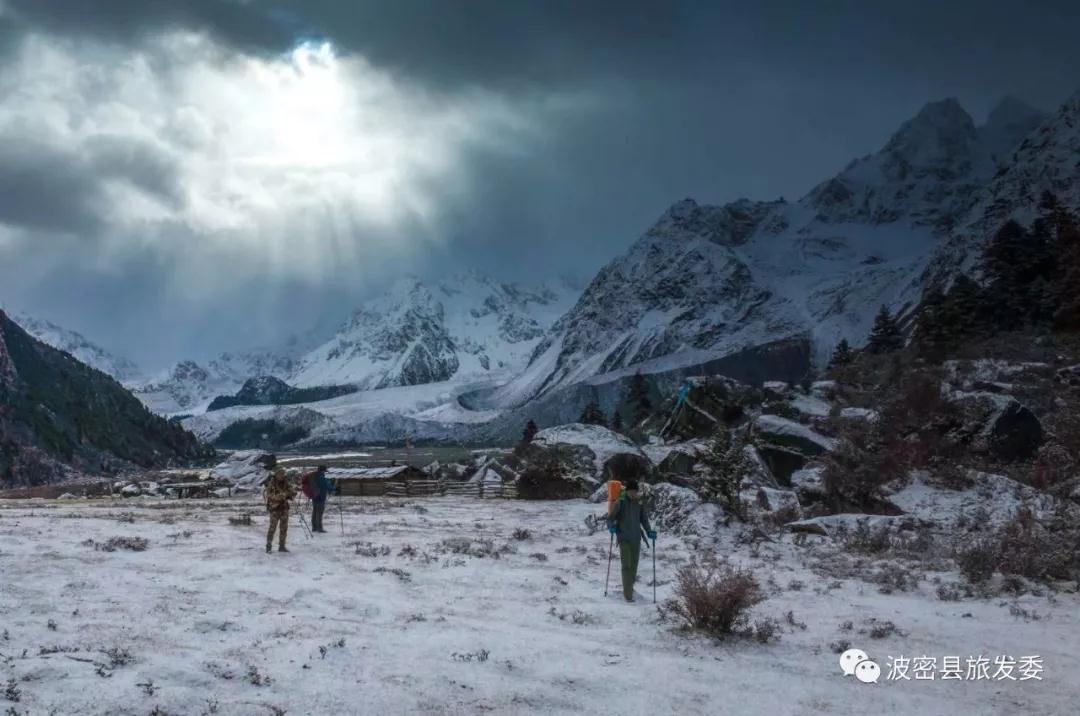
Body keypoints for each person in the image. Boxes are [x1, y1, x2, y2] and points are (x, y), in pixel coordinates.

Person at [608, 479, 656, 602]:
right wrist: (611, 526)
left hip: (636, 539)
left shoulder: (638, 504)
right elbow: (610, 518)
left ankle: (629, 588)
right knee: (626, 565)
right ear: (627, 491)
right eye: (631, 491)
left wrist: (649, 531)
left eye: (635, 491)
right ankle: (628, 594)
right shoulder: (620, 503)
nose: (633, 493)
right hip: (623, 538)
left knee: (634, 566)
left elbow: (644, 520)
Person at [262, 456, 297, 553]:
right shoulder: (271, 484)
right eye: (280, 473)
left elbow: (292, 491)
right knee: (272, 528)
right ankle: (268, 546)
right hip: (275, 509)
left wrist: (290, 493)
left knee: (284, 528)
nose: (282, 475)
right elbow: (270, 496)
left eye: (283, 473)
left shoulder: (286, 483)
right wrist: (283, 495)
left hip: (284, 508)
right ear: (276, 474)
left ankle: (282, 546)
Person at [307, 465, 333, 533]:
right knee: (319, 513)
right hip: (320, 497)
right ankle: (319, 528)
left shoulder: (314, 476)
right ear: (322, 470)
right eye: (325, 471)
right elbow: (326, 486)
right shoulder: (321, 477)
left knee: (315, 512)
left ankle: (314, 527)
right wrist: (334, 488)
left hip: (314, 496)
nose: (325, 472)